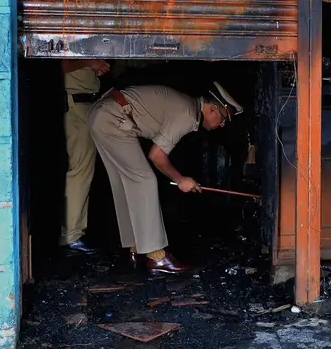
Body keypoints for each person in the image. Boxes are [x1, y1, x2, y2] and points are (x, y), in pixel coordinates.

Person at [87, 82, 243, 274]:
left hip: (101, 114)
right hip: (113, 119)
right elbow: (157, 156)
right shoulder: (187, 114)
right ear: (212, 108)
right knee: (145, 181)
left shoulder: (187, 107)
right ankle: (156, 256)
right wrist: (180, 179)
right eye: (224, 118)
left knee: (125, 181)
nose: (222, 125)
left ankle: (136, 247)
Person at [61, 59, 110, 255]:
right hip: (76, 103)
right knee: (80, 170)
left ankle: (72, 233)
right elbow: (62, 64)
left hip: (84, 103)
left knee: (81, 169)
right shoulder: (67, 36)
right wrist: (91, 62)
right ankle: (71, 235)